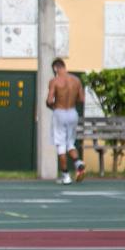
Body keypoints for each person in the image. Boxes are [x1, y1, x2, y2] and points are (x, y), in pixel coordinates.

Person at [46, 57, 86, 185]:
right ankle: (78, 163)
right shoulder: (76, 80)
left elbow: (49, 100)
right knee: (70, 143)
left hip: (60, 112)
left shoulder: (54, 81)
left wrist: (53, 107)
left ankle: (66, 176)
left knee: (60, 145)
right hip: (73, 113)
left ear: (55, 68)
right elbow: (81, 99)